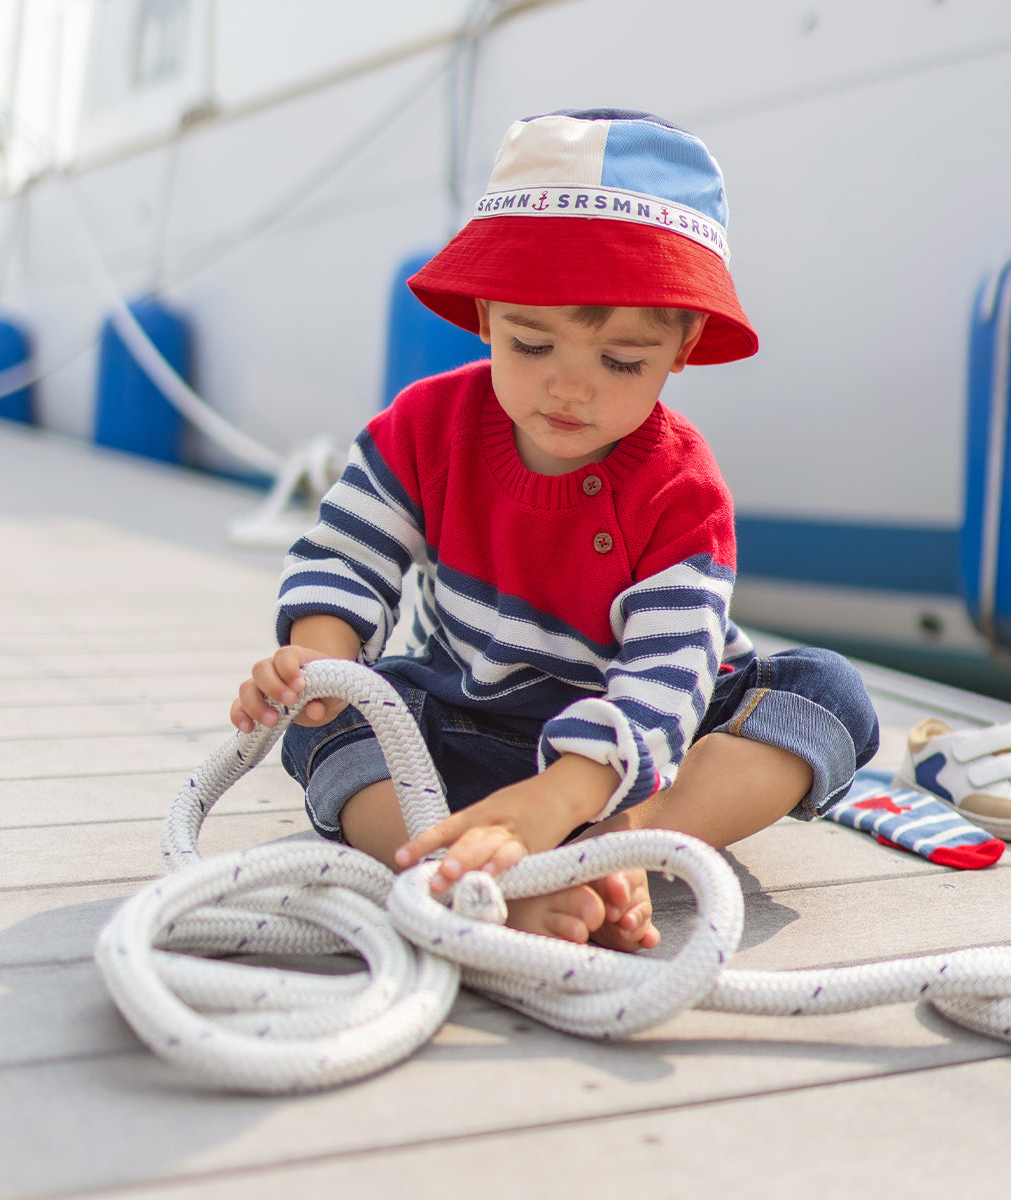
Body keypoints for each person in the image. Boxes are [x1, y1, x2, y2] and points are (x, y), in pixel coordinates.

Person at [231, 109, 879, 952]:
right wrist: (322, 661)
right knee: (335, 723)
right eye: (531, 343)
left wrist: (572, 796)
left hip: (649, 743)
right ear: (485, 310)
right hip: (468, 711)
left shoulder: (682, 488)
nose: (568, 392)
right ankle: (454, 869)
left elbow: (667, 674)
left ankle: (620, 848)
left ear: (682, 345)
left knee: (825, 695)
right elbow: (350, 551)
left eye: (619, 362)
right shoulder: (425, 427)